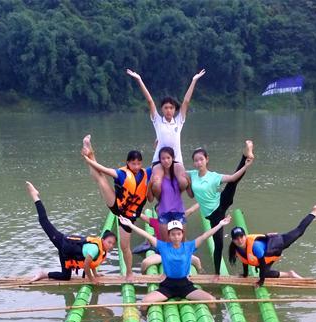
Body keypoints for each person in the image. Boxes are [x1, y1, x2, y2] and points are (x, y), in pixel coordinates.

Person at [117, 214, 232, 308]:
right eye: (173, 234)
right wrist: (130, 225)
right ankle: (144, 319)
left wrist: (220, 224)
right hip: (168, 285)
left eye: (178, 234)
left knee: (211, 301)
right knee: (144, 303)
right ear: (169, 235)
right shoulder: (163, 246)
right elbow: (146, 234)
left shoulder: (189, 246)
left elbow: (205, 236)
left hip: (185, 285)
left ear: (182, 234)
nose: (176, 237)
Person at [126, 68, 203, 199]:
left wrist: (194, 80)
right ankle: (158, 201)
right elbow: (150, 101)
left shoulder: (179, 121)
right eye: (166, 107)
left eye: (171, 108)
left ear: (175, 110)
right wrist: (139, 79)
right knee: (156, 184)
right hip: (159, 160)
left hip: (176, 160)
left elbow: (186, 102)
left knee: (183, 182)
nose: (168, 110)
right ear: (161, 109)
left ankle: (173, 199)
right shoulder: (157, 121)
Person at [80, 135, 151, 275]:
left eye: (138, 164)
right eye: (133, 164)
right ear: (127, 163)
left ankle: (129, 273)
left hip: (129, 216)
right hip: (117, 206)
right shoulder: (121, 173)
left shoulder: (147, 172)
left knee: (125, 247)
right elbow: (101, 169)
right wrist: (87, 159)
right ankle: (88, 146)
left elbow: (160, 162)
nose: (136, 167)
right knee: (100, 178)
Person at [23, 181, 117, 284]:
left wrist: (96, 274)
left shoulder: (101, 250)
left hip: (66, 252)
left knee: (65, 276)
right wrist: (92, 280)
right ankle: (35, 196)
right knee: (44, 221)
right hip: (62, 241)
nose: (111, 245)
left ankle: (43, 274)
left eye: (113, 244)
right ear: (103, 240)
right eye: (109, 242)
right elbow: (86, 266)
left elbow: (91, 263)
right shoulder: (95, 248)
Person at [190, 140, 255, 273]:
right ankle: (218, 272)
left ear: (206, 160)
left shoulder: (214, 176)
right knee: (217, 244)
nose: (198, 163)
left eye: (201, 159)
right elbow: (176, 171)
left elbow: (232, 177)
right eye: (196, 160)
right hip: (211, 214)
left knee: (233, 183)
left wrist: (246, 166)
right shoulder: (191, 174)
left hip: (220, 207)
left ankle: (246, 154)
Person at [228, 204, 316, 287]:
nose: (239, 240)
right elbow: (245, 261)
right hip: (268, 254)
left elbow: (262, 265)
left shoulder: (255, 246)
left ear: (245, 237)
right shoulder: (236, 248)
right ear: (233, 240)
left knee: (299, 231)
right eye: (236, 238)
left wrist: (260, 282)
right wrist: (245, 275)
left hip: (278, 243)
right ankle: (290, 274)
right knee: (266, 273)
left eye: (241, 237)